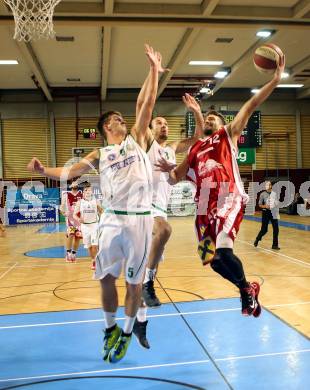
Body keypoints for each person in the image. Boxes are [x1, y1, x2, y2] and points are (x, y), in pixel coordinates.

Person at [27, 44, 160, 363]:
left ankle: (128, 332)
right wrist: (44, 169)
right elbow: (71, 171)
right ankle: (110, 328)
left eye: (122, 117)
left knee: (134, 284)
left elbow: (146, 102)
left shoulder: (137, 139)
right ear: (106, 128)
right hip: (112, 220)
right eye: (116, 119)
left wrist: (154, 71)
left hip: (140, 220)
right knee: (105, 279)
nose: (122, 120)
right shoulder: (100, 154)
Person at [157, 54, 285, 317]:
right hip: (203, 208)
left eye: (214, 118)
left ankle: (244, 291)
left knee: (225, 252)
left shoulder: (226, 135)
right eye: (207, 117)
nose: (210, 120)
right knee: (212, 261)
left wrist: (274, 80)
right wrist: (161, 166)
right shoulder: (193, 152)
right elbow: (173, 177)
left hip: (228, 197)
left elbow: (250, 105)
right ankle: (246, 288)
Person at [73, 182, 103, 270]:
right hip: (85, 226)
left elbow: (101, 212)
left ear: (92, 191)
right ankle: (93, 260)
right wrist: (79, 219)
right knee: (89, 246)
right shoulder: (80, 202)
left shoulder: (96, 201)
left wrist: (99, 208)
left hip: (94, 225)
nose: (88, 191)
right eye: (86, 190)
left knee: (95, 245)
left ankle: (97, 262)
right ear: (83, 192)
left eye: (89, 190)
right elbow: (74, 214)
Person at [60, 181, 83, 262]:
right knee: (71, 235)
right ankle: (68, 253)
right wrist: (63, 213)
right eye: (73, 184)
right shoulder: (66, 195)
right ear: (71, 186)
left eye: (76, 183)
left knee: (78, 237)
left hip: (79, 219)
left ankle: (74, 253)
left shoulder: (82, 194)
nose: (75, 185)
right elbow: (62, 206)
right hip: (70, 219)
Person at [254, 181, 280, 250]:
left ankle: (275, 245)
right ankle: (257, 239)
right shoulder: (262, 194)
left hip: (273, 212)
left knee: (276, 229)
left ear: (271, 186)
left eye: (269, 185)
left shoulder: (274, 194)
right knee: (264, 230)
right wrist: (265, 206)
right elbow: (259, 205)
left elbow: (277, 202)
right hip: (266, 213)